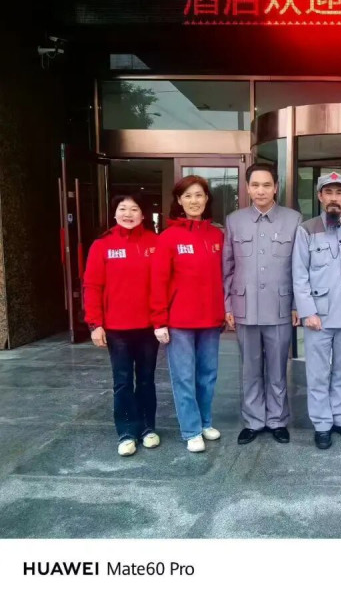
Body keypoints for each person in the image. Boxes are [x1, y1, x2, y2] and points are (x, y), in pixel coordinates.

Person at [223, 163, 302, 445]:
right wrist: (228, 306)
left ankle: (277, 419)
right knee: (250, 368)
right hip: (245, 306)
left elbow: (299, 267)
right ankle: (254, 420)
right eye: (255, 185)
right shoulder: (234, 220)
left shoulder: (293, 219)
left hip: (280, 306)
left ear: (276, 187)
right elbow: (227, 267)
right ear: (247, 188)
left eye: (267, 185)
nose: (261, 191)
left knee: (278, 369)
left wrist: (297, 304)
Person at [151, 175, 225, 453]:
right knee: (183, 376)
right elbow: (158, 282)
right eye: (188, 196)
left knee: (208, 375)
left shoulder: (217, 236)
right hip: (179, 321)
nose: (194, 201)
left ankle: (205, 422)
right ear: (179, 201)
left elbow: (224, 276)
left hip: (210, 319)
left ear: (207, 199)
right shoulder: (168, 238)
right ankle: (191, 429)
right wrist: (159, 320)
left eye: (199, 195)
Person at [292, 172, 341, 450]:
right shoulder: (307, 229)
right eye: (329, 192)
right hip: (319, 316)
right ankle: (322, 423)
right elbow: (299, 274)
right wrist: (307, 311)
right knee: (318, 373)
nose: (334, 198)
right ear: (320, 196)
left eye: (339, 192)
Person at [83, 194, 159, 457]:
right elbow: (92, 286)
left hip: (148, 327)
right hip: (117, 329)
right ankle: (126, 431)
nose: (128, 214)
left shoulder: (155, 243)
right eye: (122, 209)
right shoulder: (102, 245)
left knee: (146, 380)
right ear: (114, 214)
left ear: (143, 215)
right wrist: (95, 323)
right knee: (123, 381)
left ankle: (147, 427)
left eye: (134, 209)